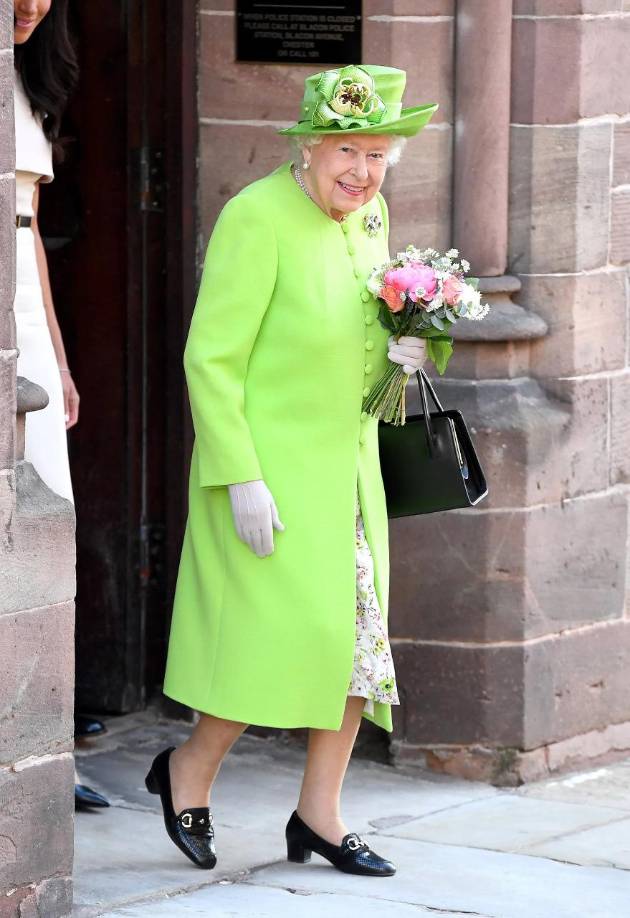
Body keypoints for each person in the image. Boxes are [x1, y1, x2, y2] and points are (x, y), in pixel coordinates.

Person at [147, 65, 438, 875]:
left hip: (347, 471)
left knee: (357, 645)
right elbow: (211, 359)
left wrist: (407, 355)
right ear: (308, 149)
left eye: (378, 154)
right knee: (261, 644)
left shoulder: (371, 213)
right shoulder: (256, 217)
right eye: (347, 150)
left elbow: (361, 328)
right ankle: (187, 772)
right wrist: (239, 473)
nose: (362, 171)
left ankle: (319, 812)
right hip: (267, 476)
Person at [13, 0, 108, 810]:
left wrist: (59, 358)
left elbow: (29, 231)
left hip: (23, 323)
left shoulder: (27, 83)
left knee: (50, 515)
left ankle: (44, 746)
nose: (31, 5)